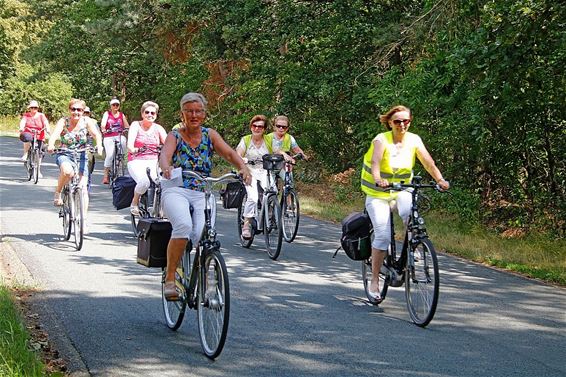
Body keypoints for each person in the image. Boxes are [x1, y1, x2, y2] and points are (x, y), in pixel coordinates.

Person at [159, 92, 251, 300]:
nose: (194, 115)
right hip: (177, 188)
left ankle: (208, 280)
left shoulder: (210, 134)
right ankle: (171, 279)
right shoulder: (175, 135)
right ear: (182, 114)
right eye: (189, 111)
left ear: (204, 114)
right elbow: (165, 154)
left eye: (198, 111)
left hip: (203, 189)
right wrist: (165, 166)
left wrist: (243, 167)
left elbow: (228, 153)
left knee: (203, 234)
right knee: (183, 225)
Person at [361, 105, 449, 302]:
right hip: (378, 193)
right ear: (390, 123)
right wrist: (378, 179)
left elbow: (428, 162)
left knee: (411, 213)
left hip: (401, 190)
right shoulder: (381, 140)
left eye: (406, 121)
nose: (402, 125)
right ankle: (374, 280)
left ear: (410, 121)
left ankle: (414, 246)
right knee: (382, 236)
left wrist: (440, 180)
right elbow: (375, 164)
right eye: (397, 121)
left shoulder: (414, 140)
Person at [47, 99, 103, 231]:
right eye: (73, 109)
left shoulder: (87, 121)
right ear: (69, 110)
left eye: (79, 110)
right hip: (65, 153)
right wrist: (50, 144)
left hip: (82, 154)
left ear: (83, 111)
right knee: (67, 172)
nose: (76, 112)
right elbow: (55, 134)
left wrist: (99, 146)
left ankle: (83, 219)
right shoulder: (64, 121)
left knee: (83, 188)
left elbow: (96, 135)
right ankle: (58, 192)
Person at [235, 115, 274, 239]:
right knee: (252, 196)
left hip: (264, 170)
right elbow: (239, 152)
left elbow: (278, 150)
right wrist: (241, 159)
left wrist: (284, 156)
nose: (257, 128)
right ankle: (246, 225)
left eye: (260, 127)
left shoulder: (268, 140)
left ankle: (269, 216)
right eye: (254, 126)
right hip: (249, 170)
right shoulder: (246, 140)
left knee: (272, 191)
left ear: (264, 129)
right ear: (251, 127)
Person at [127, 101, 167, 215]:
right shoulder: (135, 125)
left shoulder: (158, 128)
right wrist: (133, 149)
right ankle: (134, 202)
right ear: (142, 114)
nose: (150, 115)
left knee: (163, 181)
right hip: (136, 160)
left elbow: (168, 143)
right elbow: (130, 144)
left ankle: (160, 207)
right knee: (144, 181)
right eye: (147, 112)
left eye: (153, 113)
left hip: (153, 161)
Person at [100, 98, 129, 184]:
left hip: (119, 135)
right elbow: (103, 124)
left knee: (123, 142)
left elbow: (127, 125)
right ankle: (106, 176)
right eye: (114, 105)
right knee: (109, 155)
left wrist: (127, 129)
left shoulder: (121, 115)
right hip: (109, 136)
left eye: (117, 105)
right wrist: (104, 129)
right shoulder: (107, 114)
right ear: (111, 106)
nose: (115, 106)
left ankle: (121, 157)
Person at [19, 100, 51, 177]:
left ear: (37, 108)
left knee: (40, 153)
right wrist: (21, 127)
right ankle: (26, 153)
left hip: (39, 134)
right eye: (32, 108)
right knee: (27, 138)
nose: (34, 109)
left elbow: (46, 123)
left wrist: (48, 129)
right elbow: (23, 122)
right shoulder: (26, 115)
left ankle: (38, 171)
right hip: (29, 133)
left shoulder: (41, 115)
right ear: (29, 108)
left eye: (35, 108)